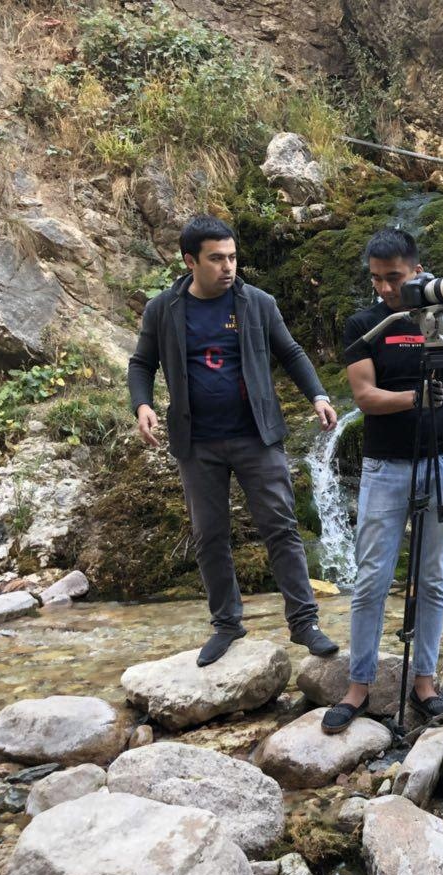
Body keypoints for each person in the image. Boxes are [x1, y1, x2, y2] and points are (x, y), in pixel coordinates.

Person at [127, 215, 340, 667]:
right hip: (197, 442)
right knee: (209, 536)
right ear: (190, 261)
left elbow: (291, 352)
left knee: (281, 528)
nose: (228, 266)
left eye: (232, 257)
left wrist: (319, 395)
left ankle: (304, 623)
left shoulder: (257, 303)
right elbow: (141, 363)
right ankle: (226, 624)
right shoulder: (163, 309)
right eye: (217, 259)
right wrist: (142, 405)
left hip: (257, 436)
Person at [323, 228, 443, 734]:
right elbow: (365, 397)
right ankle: (358, 686)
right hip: (385, 466)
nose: (384, 288)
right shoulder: (365, 324)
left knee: (435, 576)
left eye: (393, 277)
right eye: (376, 278)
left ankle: (424, 683)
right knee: (372, 578)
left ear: (418, 271)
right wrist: (414, 399)